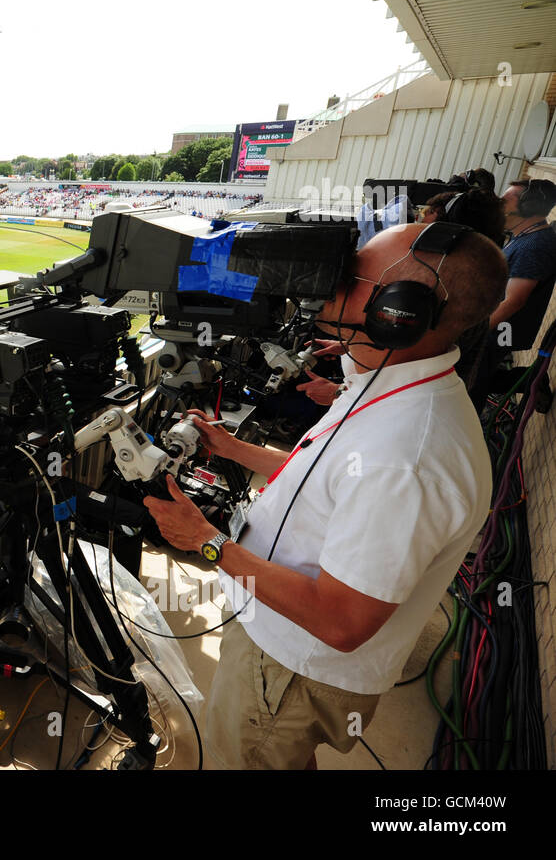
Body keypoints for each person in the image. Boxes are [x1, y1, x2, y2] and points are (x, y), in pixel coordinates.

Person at [144, 222, 509, 769]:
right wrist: (235, 450)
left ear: (400, 313)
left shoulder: (408, 457)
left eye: (353, 277)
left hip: (294, 670)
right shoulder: (389, 380)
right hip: (281, 652)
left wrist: (206, 542)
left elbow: (340, 623)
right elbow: (327, 475)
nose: (328, 287)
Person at [471, 178, 556, 404]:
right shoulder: (522, 236)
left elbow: (513, 301)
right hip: (494, 326)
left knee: (473, 388)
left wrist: (473, 333)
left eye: (506, 200)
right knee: (476, 376)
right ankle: (532, 380)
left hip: (500, 329)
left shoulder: (534, 246)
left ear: (529, 206)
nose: (499, 204)